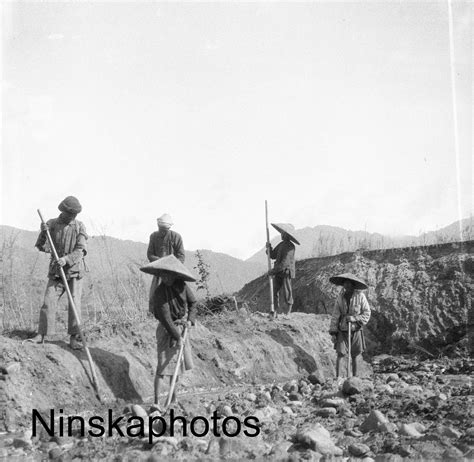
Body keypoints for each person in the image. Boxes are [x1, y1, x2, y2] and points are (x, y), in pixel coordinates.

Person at [30, 196, 88, 350]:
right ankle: (41, 334)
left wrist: (66, 259)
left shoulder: (80, 227)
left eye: (74, 215)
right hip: (56, 272)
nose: (72, 217)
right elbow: (41, 245)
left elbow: (80, 250)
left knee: (75, 305)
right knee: (48, 301)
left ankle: (74, 339)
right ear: (62, 211)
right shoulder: (51, 224)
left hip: (74, 272)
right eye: (70, 214)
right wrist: (43, 233)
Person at [140, 255, 197, 408]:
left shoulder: (182, 287)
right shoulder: (159, 293)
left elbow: (193, 303)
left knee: (177, 367)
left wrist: (190, 320)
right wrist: (177, 337)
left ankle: (173, 399)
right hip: (166, 331)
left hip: (181, 328)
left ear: (174, 274)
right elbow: (165, 319)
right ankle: (157, 402)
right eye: (162, 275)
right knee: (163, 366)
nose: (165, 278)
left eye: (168, 274)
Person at [329, 273, 371, 381]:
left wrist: (355, 319)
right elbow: (335, 314)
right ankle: (338, 378)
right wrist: (333, 332)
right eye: (345, 283)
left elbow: (367, 312)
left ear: (353, 285)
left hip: (356, 329)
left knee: (355, 354)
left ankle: (354, 379)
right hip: (342, 329)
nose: (346, 286)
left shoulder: (360, 296)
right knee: (340, 353)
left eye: (348, 283)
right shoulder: (340, 297)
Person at [147, 214, 185, 314]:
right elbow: (150, 254)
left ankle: (177, 313)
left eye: (165, 229)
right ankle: (156, 314)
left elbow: (181, 256)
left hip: (173, 272)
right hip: (159, 271)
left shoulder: (176, 237)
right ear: (158, 226)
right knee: (155, 295)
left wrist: (171, 265)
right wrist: (161, 261)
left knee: (176, 296)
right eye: (161, 228)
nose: (163, 231)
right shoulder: (154, 236)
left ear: (169, 227)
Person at [266, 223, 300, 316]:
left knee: (287, 291)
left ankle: (287, 312)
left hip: (286, 272)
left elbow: (285, 263)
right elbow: (273, 255)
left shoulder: (290, 247)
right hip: (278, 271)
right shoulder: (281, 245)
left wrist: (273, 271)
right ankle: (275, 310)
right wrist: (269, 248)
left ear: (286, 235)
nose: (281, 234)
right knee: (275, 291)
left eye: (283, 233)